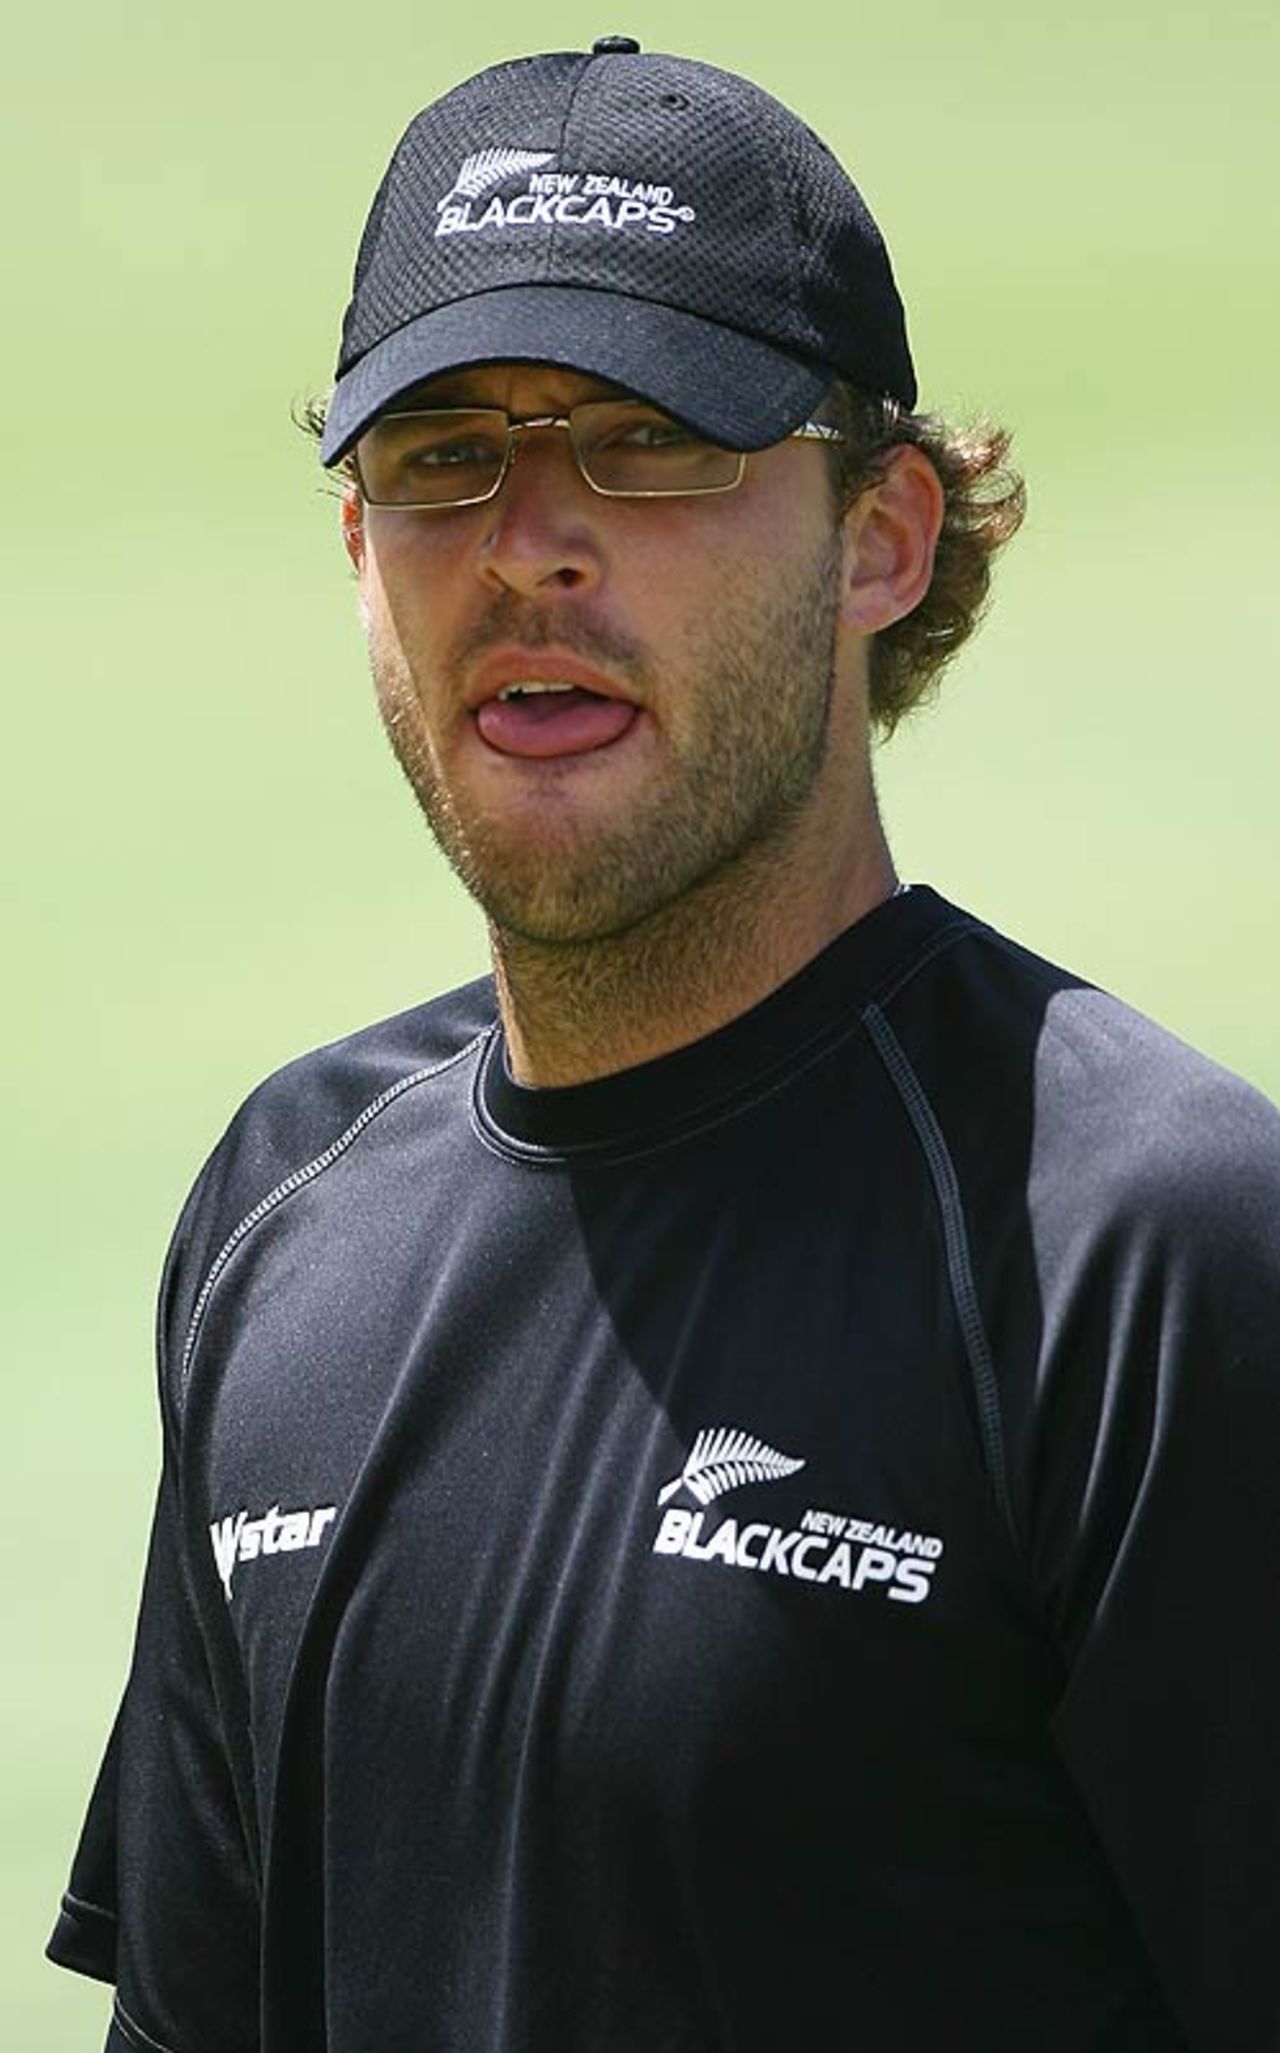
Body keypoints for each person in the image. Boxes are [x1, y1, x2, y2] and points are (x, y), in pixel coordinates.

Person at [48, 37, 1280, 2053]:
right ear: (362, 554)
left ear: (883, 536)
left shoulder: (1149, 1255)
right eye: (442, 456)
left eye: (651, 441)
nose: (533, 537)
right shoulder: (285, 1215)